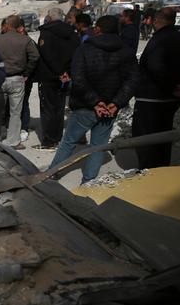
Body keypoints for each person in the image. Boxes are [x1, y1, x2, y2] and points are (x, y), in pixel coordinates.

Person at [48, 15, 138, 184]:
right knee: (98, 146)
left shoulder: (85, 49)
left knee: (69, 142)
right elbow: (132, 81)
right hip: (109, 108)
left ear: (97, 29)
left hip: (85, 106)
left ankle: (51, 175)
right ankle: (88, 182)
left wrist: (96, 102)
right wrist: (115, 103)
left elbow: (79, 78)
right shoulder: (126, 51)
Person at [132, 7, 180, 168]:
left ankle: (148, 172)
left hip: (152, 98)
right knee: (163, 137)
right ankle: (159, 169)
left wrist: (171, 86)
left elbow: (155, 67)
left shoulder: (160, 40)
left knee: (145, 138)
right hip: (170, 98)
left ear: (156, 21)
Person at [0, 14, 40, 148]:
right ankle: (13, 141)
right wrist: (27, 72)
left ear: (6, 25)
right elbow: (35, 56)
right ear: (19, 27)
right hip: (17, 78)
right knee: (15, 112)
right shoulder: (25, 40)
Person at [33, 7, 80, 149]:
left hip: (49, 76)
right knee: (59, 108)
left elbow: (46, 54)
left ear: (50, 17)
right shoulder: (71, 32)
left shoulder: (46, 33)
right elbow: (76, 53)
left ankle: (48, 141)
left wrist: (59, 71)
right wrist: (67, 72)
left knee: (47, 109)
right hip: (65, 76)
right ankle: (57, 137)